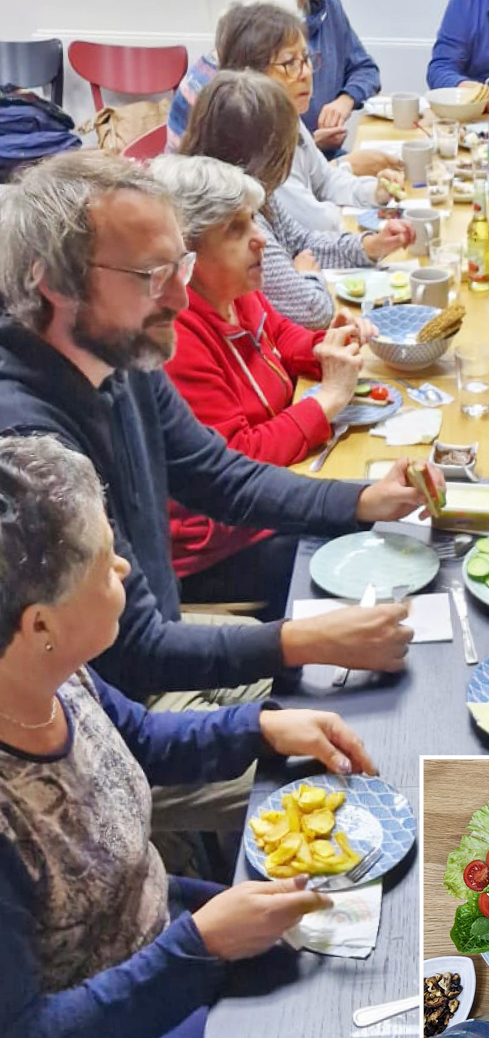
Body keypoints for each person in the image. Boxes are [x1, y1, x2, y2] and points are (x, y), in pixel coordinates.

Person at [0, 151, 439, 831]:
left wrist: (359, 502)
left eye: (179, 265)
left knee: (394, 686)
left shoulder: (118, 349)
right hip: (115, 739)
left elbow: (220, 475)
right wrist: (303, 640)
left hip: (156, 673)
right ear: (54, 285)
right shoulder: (31, 451)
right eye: (153, 276)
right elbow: (136, 649)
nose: (180, 296)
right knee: (373, 770)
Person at [0, 432, 377, 1038]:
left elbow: (141, 740)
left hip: (170, 935)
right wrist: (201, 946)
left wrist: (264, 727)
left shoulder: (56, 678)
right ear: (40, 622)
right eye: (104, 562)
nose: (123, 566)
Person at [152, 153, 378, 617]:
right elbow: (237, 462)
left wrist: (325, 346)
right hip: (218, 552)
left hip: (268, 501)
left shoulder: (236, 292)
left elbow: (280, 334)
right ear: (185, 253)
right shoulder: (176, 339)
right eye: (235, 229)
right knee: (377, 539)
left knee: (381, 507)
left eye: (253, 220)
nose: (259, 239)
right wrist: (329, 398)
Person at [182, 70, 412, 330]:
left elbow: (302, 241)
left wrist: (369, 246)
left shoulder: (257, 193)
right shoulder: (235, 225)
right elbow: (314, 311)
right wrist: (308, 275)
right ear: (265, 153)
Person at [166, 0, 399, 182]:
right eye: (288, 58)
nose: (305, 72)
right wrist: (345, 166)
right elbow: (264, 196)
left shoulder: (257, 88)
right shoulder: (228, 94)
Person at [216, 2, 403, 234]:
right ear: (250, 75)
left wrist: (374, 192)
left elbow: (326, 181)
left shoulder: (287, 117)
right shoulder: (258, 141)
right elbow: (320, 224)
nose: (305, 73)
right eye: (289, 64)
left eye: (305, 59)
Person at [267, 0, 381, 153]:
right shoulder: (255, 21)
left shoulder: (331, 8)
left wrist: (345, 100)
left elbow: (366, 70)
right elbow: (253, 152)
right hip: (282, 173)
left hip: (327, 160)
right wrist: (311, 147)